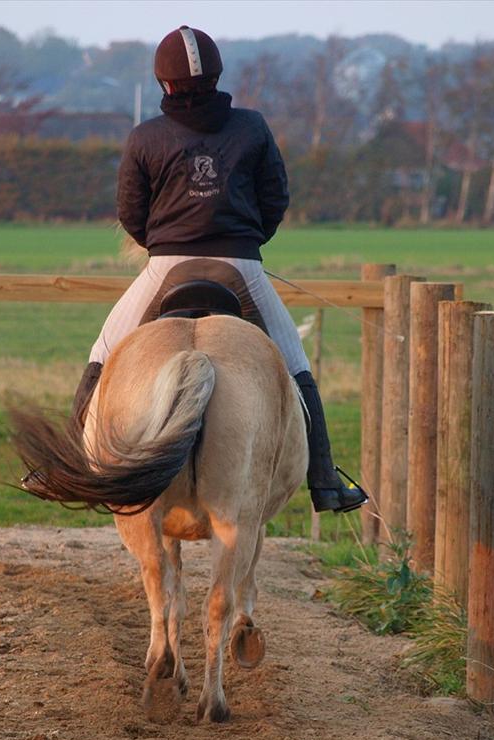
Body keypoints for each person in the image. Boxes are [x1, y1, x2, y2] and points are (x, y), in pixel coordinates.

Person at [73, 25, 367, 515]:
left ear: (164, 83)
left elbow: (130, 213)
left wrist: (166, 246)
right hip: (241, 265)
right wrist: (245, 243)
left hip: (164, 265)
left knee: (102, 356)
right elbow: (275, 199)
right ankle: (325, 483)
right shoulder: (251, 127)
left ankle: (77, 467)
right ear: (216, 76)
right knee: (297, 367)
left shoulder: (145, 137)